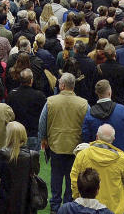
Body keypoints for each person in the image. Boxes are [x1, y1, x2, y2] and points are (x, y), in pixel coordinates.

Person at [39, 73, 90, 213]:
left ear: (62, 85)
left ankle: (55, 206)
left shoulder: (50, 101)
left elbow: (42, 123)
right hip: (76, 146)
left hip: (56, 144)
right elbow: (87, 124)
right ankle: (68, 203)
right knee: (72, 177)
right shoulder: (84, 103)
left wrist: (43, 138)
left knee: (56, 176)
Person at [71, 124, 124, 214]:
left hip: (88, 207)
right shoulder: (121, 158)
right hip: (115, 208)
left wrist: (77, 198)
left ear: (97, 137)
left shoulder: (83, 155)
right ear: (113, 139)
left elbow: (74, 180)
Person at [80, 79, 124, 163]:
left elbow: (85, 137)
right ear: (110, 92)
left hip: (98, 158)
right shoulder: (121, 109)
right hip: (121, 157)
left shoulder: (90, 114)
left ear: (97, 93)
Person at [0, 121, 40, 214]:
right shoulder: (33, 155)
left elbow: (1, 174)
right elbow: (36, 172)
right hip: (27, 199)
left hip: (7, 199)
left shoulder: (3, 154)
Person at [6, 68, 47, 150]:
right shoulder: (39, 96)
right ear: (31, 80)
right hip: (33, 134)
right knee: (33, 160)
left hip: (16, 134)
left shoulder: (12, 95)